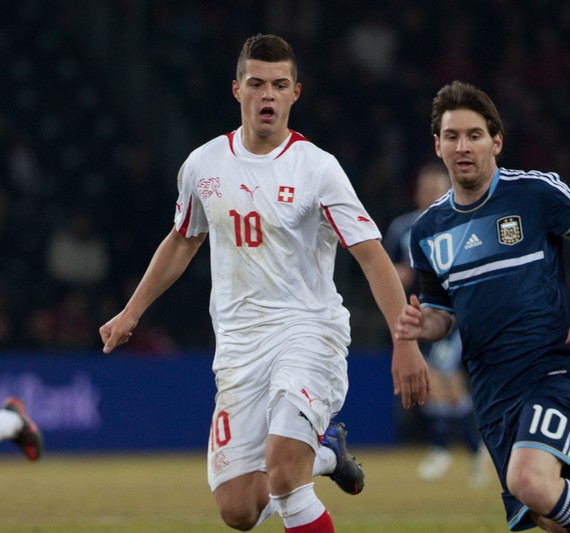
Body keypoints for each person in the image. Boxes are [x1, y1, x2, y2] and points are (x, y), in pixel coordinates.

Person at [99, 34, 428, 533]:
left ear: (296, 92)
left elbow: (370, 254)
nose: (267, 95)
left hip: (307, 334)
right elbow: (183, 240)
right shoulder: (203, 165)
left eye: (279, 85)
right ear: (237, 90)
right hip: (238, 347)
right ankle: (325, 454)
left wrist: (403, 341)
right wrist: (131, 312)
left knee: (284, 477)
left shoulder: (319, 169)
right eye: (256, 84)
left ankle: (305, 460)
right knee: (239, 510)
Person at [396, 81, 570, 532]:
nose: (463, 146)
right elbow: (443, 316)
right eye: (453, 136)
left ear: (496, 141)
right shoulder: (427, 232)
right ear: (437, 146)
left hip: (553, 368)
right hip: (493, 390)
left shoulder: (534, 193)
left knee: (530, 480)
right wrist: (423, 325)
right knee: (543, 511)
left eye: (475, 135)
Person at [383, 163, 487, 485]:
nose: (431, 194)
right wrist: (399, 275)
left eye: (437, 188)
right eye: (426, 189)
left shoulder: (461, 223)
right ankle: (475, 450)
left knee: (441, 378)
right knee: (450, 385)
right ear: (417, 193)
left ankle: (442, 449)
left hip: (447, 316)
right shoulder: (402, 228)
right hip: (415, 317)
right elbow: (386, 269)